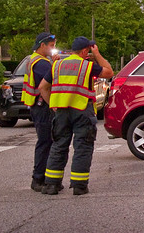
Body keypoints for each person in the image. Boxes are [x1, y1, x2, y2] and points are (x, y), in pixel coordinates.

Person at [38, 36, 113, 195]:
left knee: (58, 146)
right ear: (86, 50)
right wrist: (97, 54)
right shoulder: (87, 66)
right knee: (83, 147)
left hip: (61, 111)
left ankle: (52, 184)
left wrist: (53, 104)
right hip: (81, 110)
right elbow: (109, 72)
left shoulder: (57, 65)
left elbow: (43, 87)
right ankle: (79, 186)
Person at [22, 32, 58, 192]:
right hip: (42, 106)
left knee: (47, 142)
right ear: (42, 45)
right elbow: (46, 86)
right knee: (45, 142)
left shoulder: (37, 60)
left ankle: (44, 177)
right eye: (51, 46)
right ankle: (38, 179)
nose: (53, 48)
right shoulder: (41, 63)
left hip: (38, 106)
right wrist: (53, 106)